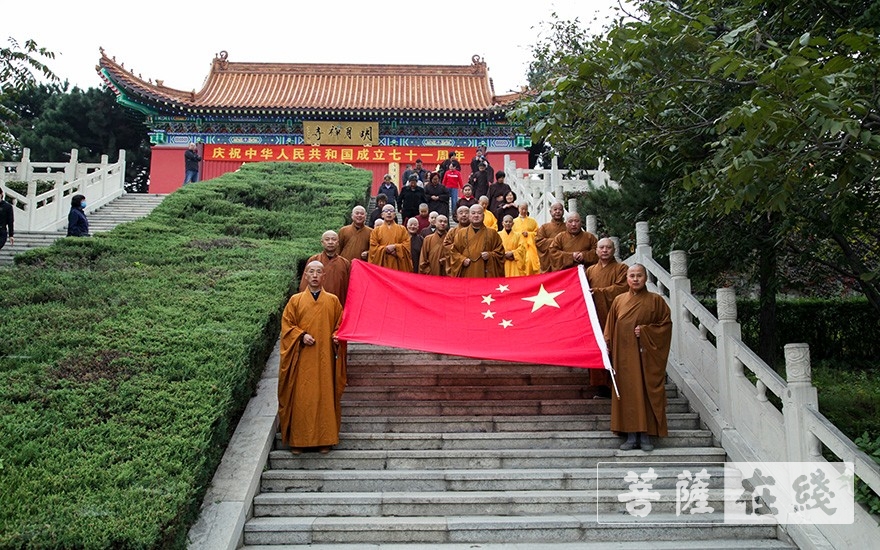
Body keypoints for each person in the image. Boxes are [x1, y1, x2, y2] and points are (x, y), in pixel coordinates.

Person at [278, 260, 346, 455]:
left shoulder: (333, 300)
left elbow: (340, 326)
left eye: (319, 272)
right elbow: (287, 326)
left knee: (325, 396)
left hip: (325, 358)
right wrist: (300, 335)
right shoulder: (295, 300)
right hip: (302, 359)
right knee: (302, 398)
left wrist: (336, 335)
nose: (315, 275)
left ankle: (325, 439)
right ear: (305, 276)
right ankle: (298, 441)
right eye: (311, 272)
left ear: (324, 277)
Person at [605, 263, 672, 452]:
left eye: (639, 275)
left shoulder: (656, 300)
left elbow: (665, 325)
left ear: (646, 278)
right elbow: (609, 327)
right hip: (623, 357)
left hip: (646, 357)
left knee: (645, 391)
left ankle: (645, 435)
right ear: (626, 279)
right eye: (632, 275)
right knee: (627, 394)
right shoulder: (618, 300)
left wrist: (645, 331)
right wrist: (607, 345)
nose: (635, 279)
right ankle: (631, 435)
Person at [586, 238, 629, 398]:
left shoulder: (622, 268)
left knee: (616, 349)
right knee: (599, 348)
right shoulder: (590, 270)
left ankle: (617, 385)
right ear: (596, 251)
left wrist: (598, 292)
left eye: (608, 248)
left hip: (615, 316)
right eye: (601, 247)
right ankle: (601, 386)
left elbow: (622, 288)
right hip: (596, 316)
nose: (605, 250)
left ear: (614, 250)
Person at [446, 205, 505, 278]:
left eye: (479, 213)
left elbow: (501, 253)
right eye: (473, 213)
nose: (476, 215)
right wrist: (462, 260)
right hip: (466, 271)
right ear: (469, 216)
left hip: (485, 272)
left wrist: (490, 255)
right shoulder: (461, 233)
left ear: (483, 216)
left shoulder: (492, 233)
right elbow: (454, 252)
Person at [300, 230, 352, 306]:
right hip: (314, 303)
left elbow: (349, 287)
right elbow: (304, 284)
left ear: (338, 243)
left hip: (337, 304)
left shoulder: (345, 263)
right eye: (327, 239)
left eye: (334, 239)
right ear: (322, 242)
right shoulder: (313, 260)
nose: (330, 242)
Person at [368, 204, 412, 272]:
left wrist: (395, 247)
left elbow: (407, 245)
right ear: (382, 215)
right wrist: (385, 249)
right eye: (386, 211)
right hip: (382, 264)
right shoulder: (376, 231)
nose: (389, 213)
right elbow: (373, 248)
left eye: (391, 211)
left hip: (398, 264)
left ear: (394, 215)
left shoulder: (402, 229)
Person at [535, 202, 566, 273]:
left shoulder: (568, 227)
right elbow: (539, 242)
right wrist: (558, 241)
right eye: (555, 209)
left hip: (563, 263)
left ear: (563, 212)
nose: (557, 211)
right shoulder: (544, 227)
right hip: (548, 263)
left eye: (560, 209)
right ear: (550, 212)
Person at [512, 201, 540, 275]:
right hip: (518, 247)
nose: (524, 211)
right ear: (518, 209)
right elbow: (511, 234)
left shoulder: (532, 221)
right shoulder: (513, 222)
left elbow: (538, 233)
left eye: (525, 209)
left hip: (529, 246)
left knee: (529, 261)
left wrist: (529, 234)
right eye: (522, 209)